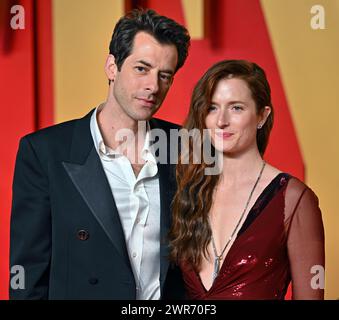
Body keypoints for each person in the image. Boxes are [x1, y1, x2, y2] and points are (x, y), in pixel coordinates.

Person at [10, 9, 190, 300]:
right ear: (112, 67)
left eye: (165, 75)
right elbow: (27, 272)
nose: (153, 87)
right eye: (141, 69)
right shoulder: (45, 152)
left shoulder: (186, 148)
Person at [169, 60, 325, 300]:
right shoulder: (188, 191)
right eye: (212, 107)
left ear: (262, 116)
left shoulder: (294, 199)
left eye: (236, 108)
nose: (221, 120)